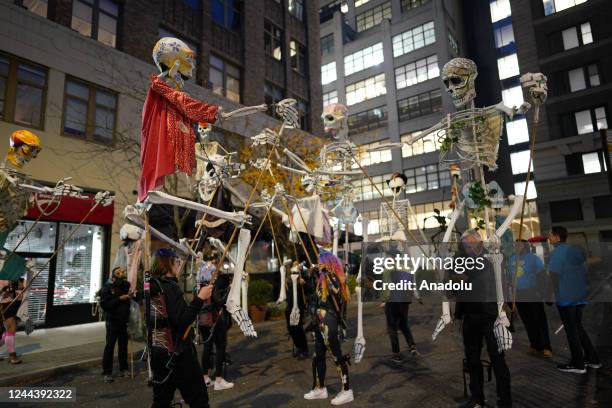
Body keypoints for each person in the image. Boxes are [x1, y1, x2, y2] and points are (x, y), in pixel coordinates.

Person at [452, 230, 511, 408]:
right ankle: (477, 398)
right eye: (465, 245)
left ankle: (505, 401)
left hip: (491, 315)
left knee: (498, 359)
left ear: (479, 242)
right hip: (470, 315)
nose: (468, 248)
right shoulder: (460, 259)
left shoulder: (492, 258)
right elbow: (455, 284)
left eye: (471, 244)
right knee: (472, 358)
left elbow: (493, 279)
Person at [148, 248, 213, 408]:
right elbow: (183, 320)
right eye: (176, 262)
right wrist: (200, 299)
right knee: (199, 400)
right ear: (168, 264)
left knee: (161, 401)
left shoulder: (153, 286)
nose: (178, 265)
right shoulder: (169, 288)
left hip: (158, 354)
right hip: (178, 355)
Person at [548, 226, 600, 374]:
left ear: (557, 237)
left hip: (566, 296)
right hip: (579, 295)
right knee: (578, 327)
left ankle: (578, 363)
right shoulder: (574, 251)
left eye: (550, 235)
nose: (549, 238)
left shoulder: (557, 253)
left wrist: (552, 295)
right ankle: (593, 359)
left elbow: (554, 276)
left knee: (572, 330)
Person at [304, 251, 353, 406]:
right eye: (318, 261)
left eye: (321, 261)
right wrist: (311, 275)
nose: (319, 263)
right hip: (319, 322)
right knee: (318, 356)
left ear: (328, 262)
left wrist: (327, 274)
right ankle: (320, 388)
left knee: (337, 356)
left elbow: (337, 292)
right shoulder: (321, 278)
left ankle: (346, 391)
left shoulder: (336, 278)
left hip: (329, 322)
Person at [508, 240, 552, 357]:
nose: (517, 246)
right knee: (527, 321)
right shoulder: (512, 259)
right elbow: (510, 277)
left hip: (532, 293)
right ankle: (534, 345)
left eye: (519, 245)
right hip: (519, 294)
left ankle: (546, 347)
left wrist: (541, 291)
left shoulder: (533, 258)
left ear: (525, 246)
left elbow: (542, 275)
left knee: (539, 321)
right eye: (515, 244)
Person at [197, 253, 233, 391]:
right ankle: (218, 379)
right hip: (214, 318)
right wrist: (228, 291)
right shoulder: (212, 280)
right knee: (220, 347)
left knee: (207, 347)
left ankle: (205, 377)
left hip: (203, 318)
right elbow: (218, 300)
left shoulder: (201, 278)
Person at [379, 245, 419, 364]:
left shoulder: (388, 269)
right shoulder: (405, 267)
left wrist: (384, 301)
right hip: (404, 300)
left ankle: (396, 354)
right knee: (404, 324)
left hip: (392, 301)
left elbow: (386, 287)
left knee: (392, 328)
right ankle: (412, 347)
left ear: (391, 257)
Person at [100, 267, 131, 382]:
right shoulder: (107, 288)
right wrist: (119, 299)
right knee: (110, 347)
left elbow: (131, 299)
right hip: (112, 322)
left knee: (123, 347)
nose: (121, 274)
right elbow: (105, 305)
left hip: (123, 322)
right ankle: (107, 372)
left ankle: (123, 369)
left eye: (123, 272)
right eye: (118, 273)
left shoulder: (126, 286)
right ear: (113, 276)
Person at [286, 261, 311, 360]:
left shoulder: (302, 277)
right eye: (293, 265)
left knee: (298, 328)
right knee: (290, 328)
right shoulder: (289, 279)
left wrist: (303, 282)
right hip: (289, 306)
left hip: (298, 306)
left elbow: (309, 288)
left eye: (297, 265)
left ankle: (303, 349)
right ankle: (297, 345)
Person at [0, 279, 23, 364]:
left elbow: (21, 288)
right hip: (4, 305)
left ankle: (12, 356)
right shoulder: (3, 276)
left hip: (14, 304)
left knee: (6, 332)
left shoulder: (17, 278)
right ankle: (12, 356)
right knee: (11, 329)